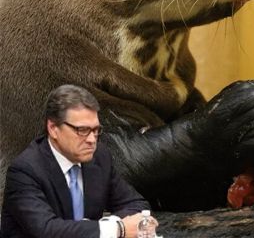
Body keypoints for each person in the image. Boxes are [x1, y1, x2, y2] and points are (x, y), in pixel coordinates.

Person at [1, 84, 156, 238]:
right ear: (53, 128)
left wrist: (111, 223)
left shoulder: (99, 156)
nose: (91, 140)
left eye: (96, 130)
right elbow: (46, 230)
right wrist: (117, 229)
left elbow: (137, 204)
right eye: (82, 130)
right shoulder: (25, 170)